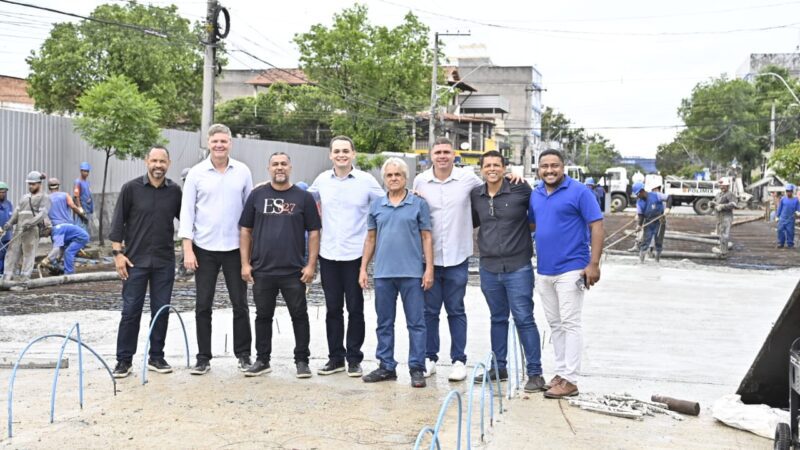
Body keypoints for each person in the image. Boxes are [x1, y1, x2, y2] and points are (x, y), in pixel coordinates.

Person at [529, 149, 604, 399]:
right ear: (538, 169)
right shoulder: (536, 194)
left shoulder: (580, 192)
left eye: (555, 166)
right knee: (555, 324)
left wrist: (593, 263)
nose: (550, 170)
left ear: (564, 167)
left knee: (570, 323)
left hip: (572, 268)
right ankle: (561, 372)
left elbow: (596, 225)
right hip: (544, 270)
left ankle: (571, 380)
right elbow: (533, 223)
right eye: (545, 166)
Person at [180, 123, 253, 375]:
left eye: (224, 141)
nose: (219, 145)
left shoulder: (242, 172)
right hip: (204, 249)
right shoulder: (197, 173)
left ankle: (244, 355)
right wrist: (187, 250)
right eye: (215, 141)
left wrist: (249, 253)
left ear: (230, 143)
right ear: (208, 143)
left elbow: (249, 213)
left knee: (240, 303)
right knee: (203, 305)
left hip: (234, 248)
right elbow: (187, 213)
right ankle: (203, 357)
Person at [239, 152, 321, 378]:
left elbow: (314, 232)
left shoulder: (303, 197)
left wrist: (311, 265)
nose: (280, 168)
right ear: (269, 168)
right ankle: (262, 360)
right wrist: (245, 264)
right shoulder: (257, 195)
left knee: (299, 316)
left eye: (284, 164)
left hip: (293, 271)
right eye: (275, 164)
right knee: (263, 316)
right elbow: (245, 230)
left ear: (290, 167)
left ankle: (302, 361)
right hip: (262, 270)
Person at [308, 136, 384, 377]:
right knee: (332, 309)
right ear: (330, 155)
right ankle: (335, 358)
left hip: (355, 255)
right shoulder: (322, 180)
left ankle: (354, 358)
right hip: (328, 254)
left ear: (353, 154)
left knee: (355, 309)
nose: (341, 155)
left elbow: (387, 202)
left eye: (345, 151)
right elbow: (302, 199)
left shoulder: (366, 181)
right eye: (336, 151)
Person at [470, 151, 546, 392]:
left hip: (518, 266)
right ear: (481, 169)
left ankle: (535, 373)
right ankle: (498, 368)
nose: (492, 169)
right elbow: (473, 221)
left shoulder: (520, 189)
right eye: (487, 165)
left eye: (496, 165)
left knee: (524, 318)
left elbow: (535, 219)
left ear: (504, 168)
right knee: (497, 318)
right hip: (489, 267)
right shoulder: (476, 195)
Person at [412, 137, 483, 381]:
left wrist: (513, 179)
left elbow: (491, 188)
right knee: (429, 311)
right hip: (428, 259)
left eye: (446, 152)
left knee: (456, 310)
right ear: (431, 156)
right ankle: (430, 357)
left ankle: (458, 360)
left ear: (454, 155)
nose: (442, 156)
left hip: (457, 256)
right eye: (438, 152)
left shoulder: (468, 179)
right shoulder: (420, 180)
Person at [359, 157, 433, 388]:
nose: (393, 179)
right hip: (383, 273)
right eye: (389, 175)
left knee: (416, 323)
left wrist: (429, 268)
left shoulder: (418, 204)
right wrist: (363, 268)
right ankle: (386, 366)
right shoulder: (377, 206)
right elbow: (370, 238)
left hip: (412, 273)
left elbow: (426, 237)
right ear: (384, 179)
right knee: (384, 322)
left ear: (405, 178)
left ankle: (417, 368)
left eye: (397, 175)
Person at [109, 147, 182, 378]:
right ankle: (124, 360)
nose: (158, 165)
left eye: (162, 161)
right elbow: (117, 222)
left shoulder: (175, 192)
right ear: (146, 162)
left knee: (161, 311)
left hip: (164, 261)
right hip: (134, 262)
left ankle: (157, 357)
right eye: (154, 160)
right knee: (131, 311)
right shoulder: (131, 189)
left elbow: (188, 220)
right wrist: (117, 254)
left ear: (168, 163)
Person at [2, 171, 51, 286]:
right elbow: (17, 212)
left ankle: (24, 279)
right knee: (11, 253)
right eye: (29, 184)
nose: (30, 186)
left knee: (28, 254)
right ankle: (7, 278)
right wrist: (9, 223)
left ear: (39, 184)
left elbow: (42, 214)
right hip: (19, 230)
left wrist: (31, 223)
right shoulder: (24, 197)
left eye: (33, 184)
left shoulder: (44, 197)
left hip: (31, 231)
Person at [633, 182, 670, 262]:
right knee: (645, 241)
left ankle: (657, 260)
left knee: (658, 242)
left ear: (642, 191)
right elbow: (641, 215)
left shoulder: (656, 195)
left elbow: (669, 198)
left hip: (660, 221)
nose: (637, 196)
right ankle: (641, 260)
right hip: (648, 222)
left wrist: (668, 208)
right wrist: (639, 225)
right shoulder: (639, 202)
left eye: (638, 194)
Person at [709, 178, 737, 255]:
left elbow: (734, 204)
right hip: (719, 217)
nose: (722, 187)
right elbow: (714, 201)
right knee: (719, 233)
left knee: (724, 233)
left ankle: (723, 251)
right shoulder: (719, 194)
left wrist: (723, 206)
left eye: (723, 186)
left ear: (727, 186)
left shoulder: (730, 194)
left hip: (726, 217)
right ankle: (720, 246)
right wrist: (711, 204)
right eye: (721, 186)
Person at [776, 183, 800, 249]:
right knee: (780, 230)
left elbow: (798, 209)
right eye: (787, 191)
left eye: (789, 191)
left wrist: (798, 213)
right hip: (782, 218)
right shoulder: (783, 199)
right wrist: (777, 216)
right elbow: (780, 208)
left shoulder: (796, 200)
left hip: (791, 218)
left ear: (792, 191)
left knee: (790, 231)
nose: (788, 192)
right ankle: (781, 243)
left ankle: (790, 244)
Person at [72, 162, 93, 236]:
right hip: (81, 207)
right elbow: (76, 195)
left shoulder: (87, 182)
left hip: (87, 207)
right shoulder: (78, 182)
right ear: (81, 171)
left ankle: (84, 242)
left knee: (85, 224)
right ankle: (79, 241)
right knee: (80, 224)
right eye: (84, 171)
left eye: (87, 171)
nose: (86, 173)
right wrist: (79, 207)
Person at [0, 182, 12, 276]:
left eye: (4, 192)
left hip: (8, 236)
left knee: (7, 255)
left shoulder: (9, 204)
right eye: (1, 192)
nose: (3, 194)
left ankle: (5, 273)